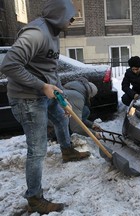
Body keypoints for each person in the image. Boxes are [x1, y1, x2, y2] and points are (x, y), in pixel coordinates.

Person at [0, 0, 91, 214]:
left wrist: (61, 95)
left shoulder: (53, 34)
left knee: (61, 118)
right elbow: (9, 65)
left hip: (44, 92)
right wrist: (42, 86)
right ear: (59, 15)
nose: (72, 21)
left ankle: (67, 151)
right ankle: (34, 198)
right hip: (27, 98)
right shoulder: (36, 34)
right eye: (70, 16)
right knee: (37, 149)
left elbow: (50, 69)